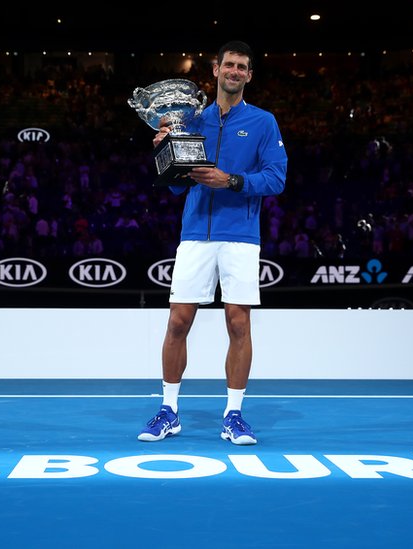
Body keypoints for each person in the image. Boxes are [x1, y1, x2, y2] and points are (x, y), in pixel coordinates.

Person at [138, 40, 287, 445]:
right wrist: (165, 153)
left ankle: (233, 415)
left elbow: (276, 179)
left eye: (242, 66)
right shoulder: (191, 120)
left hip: (240, 236)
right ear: (216, 71)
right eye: (229, 65)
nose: (235, 72)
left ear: (249, 75)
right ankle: (168, 411)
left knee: (238, 324)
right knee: (177, 322)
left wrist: (232, 181)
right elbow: (173, 189)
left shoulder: (263, 122)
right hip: (194, 235)